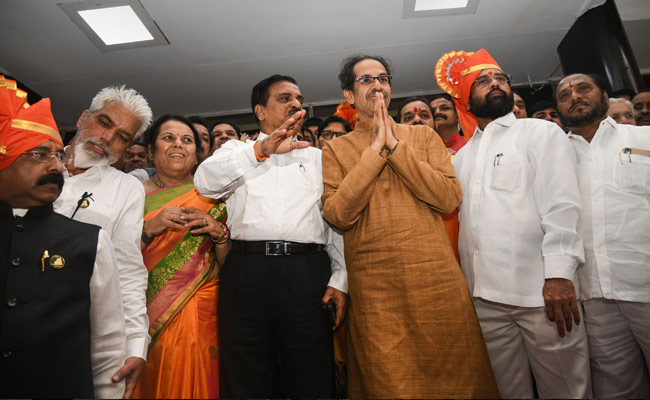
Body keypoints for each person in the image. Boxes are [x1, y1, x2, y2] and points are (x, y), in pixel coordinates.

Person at [322, 55, 498, 398]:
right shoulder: (337, 149)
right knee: (388, 381)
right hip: (375, 287)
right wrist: (374, 150)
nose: (377, 85)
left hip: (437, 279)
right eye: (366, 80)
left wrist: (395, 148)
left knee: (460, 378)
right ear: (349, 95)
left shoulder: (423, 137)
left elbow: (448, 198)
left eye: (383, 78)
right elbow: (338, 214)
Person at [436, 49, 590, 398]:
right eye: (483, 81)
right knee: (507, 391)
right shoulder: (461, 158)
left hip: (542, 293)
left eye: (500, 78)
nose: (495, 83)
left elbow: (562, 205)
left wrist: (560, 274)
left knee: (567, 390)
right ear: (465, 100)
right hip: (483, 298)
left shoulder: (540, 132)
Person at [194, 74, 347, 398]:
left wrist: (340, 279)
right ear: (260, 111)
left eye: (299, 100)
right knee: (245, 375)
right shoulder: (236, 151)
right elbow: (205, 183)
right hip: (247, 271)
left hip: (307, 273)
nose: (296, 104)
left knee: (311, 375)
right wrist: (259, 151)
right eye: (285, 98)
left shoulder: (319, 157)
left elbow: (334, 222)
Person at [0, 78, 126, 398]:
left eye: (57, 155)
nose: (57, 166)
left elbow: (107, 345)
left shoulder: (91, 241)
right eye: (39, 154)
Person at [52, 85, 153, 398]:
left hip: (76, 328)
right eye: (104, 122)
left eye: (122, 137)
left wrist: (135, 344)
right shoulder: (31, 162)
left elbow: (128, 270)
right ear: (84, 117)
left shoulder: (126, 189)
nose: (107, 138)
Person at [556, 73, 650, 398]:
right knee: (616, 389)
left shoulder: (643, 138)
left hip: (645, 284)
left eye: (584, 88)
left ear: (605, 97)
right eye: (565, 95)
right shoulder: (555, 156)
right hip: (593, 295)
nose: (574, 96)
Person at [132, 115, 230, 398]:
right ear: (151, 152)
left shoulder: (215, 197)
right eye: (168, 138)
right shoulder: (131, 195)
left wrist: (219, 233)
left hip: (202, 310)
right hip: (142, 309)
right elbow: (111, 256)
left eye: (187, 140)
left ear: (197, 154)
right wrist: (148, 229)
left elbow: (230, 265)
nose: (178, 144)